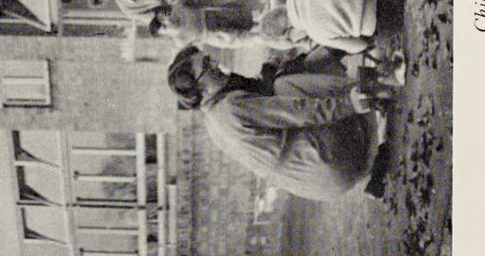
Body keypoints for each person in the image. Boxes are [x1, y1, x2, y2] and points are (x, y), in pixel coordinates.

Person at [166, 46, 393, 202]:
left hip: (322, 183)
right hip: (332, 163)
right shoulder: (230, 107)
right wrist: (348, 104)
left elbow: (265, 102)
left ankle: (373, 162)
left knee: (283, 80)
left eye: (209, 58)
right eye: (207, 65)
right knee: (285, 86)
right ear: (200, 89)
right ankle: (373, 85)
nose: (215, 63)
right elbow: (297, 112)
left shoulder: (214, 123)